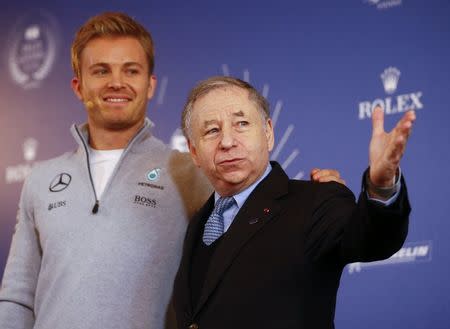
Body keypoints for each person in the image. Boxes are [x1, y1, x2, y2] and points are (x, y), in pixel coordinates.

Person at [0, 12, 344, 329]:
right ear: (78, 86)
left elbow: (257, 231)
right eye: (101, 70)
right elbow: (16, 297)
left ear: (150, 85)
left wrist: (313, 198)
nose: (116, 82)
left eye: (130, 70)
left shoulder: (190, 170)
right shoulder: (41, 179)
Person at [173, 76, 415, 329]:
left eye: (241, 123)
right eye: (212, 130)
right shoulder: (198, 222)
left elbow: (372, 239)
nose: (227, 142)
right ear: (193, 151)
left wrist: (381, 185)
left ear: (268, 133)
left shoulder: (316, 202)